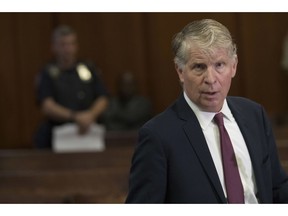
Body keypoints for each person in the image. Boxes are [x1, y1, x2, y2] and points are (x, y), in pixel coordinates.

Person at [126, 19, 288, 203]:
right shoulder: (158, 136)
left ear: (233, 66)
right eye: (199, 67)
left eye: (219, 65)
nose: (211, 79)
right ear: (180, 71)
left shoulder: (254, 115)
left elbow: (276, 188)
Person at [35, 25, 109, 149]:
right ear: (54, 47)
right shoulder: (48, 72)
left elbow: (103, 97)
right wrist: (75, 117)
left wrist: (90, 115)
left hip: (90, 130)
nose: (68, 49)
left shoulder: (87, 68)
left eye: (71, 44)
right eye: (63, 44)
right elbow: (47, 105)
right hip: (60, 132)